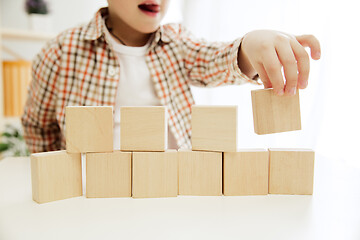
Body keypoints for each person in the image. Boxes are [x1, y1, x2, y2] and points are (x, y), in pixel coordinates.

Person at [21, 0, 321, 153]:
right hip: (94, 190)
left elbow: (217, 58)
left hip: (172, 187)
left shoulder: (177, 42)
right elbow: (39, 126)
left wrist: (250, 45)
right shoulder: (61, 51)